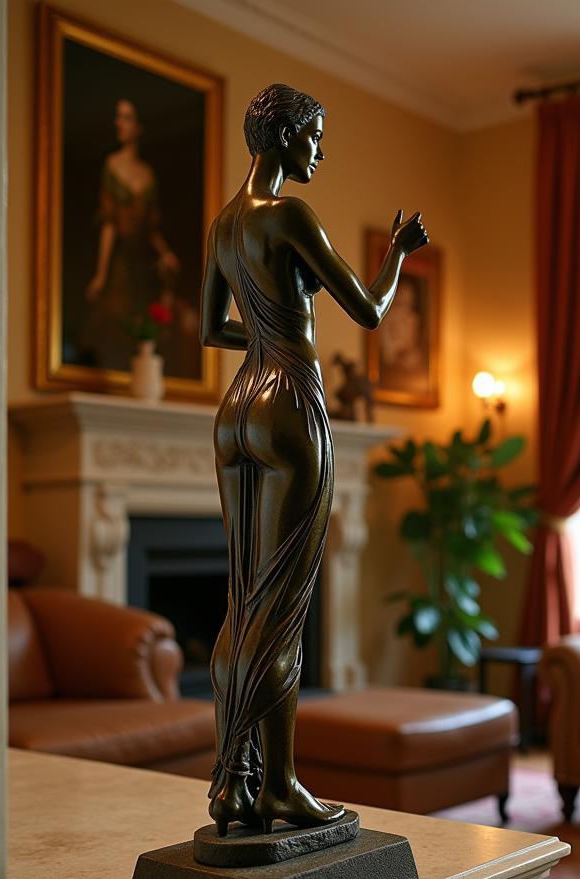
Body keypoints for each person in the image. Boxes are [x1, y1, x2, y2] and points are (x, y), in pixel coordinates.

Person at [200, 83, 428, 835]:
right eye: (316, 135)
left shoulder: (224, 225)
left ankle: (235, 780)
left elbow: (211, 332)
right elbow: (367, 308)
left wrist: (264, 338)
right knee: (284, 606)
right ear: (285, 135)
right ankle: (278, 786)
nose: (321, 151)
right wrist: (394, 256)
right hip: (290, 405)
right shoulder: (289, 215)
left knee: (245, 599)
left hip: (236, 408)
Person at [82, 98, 180, 371]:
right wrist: (101, 273)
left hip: (143, 263)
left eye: (126, 117)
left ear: (139, 127)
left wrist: (165, 253)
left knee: (143, 319)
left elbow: (151, 228)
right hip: (120, 259)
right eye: (118, 117)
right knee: (116, 315)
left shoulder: (147, 174)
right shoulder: (112, 165)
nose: (119, 123)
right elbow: (109, 223)